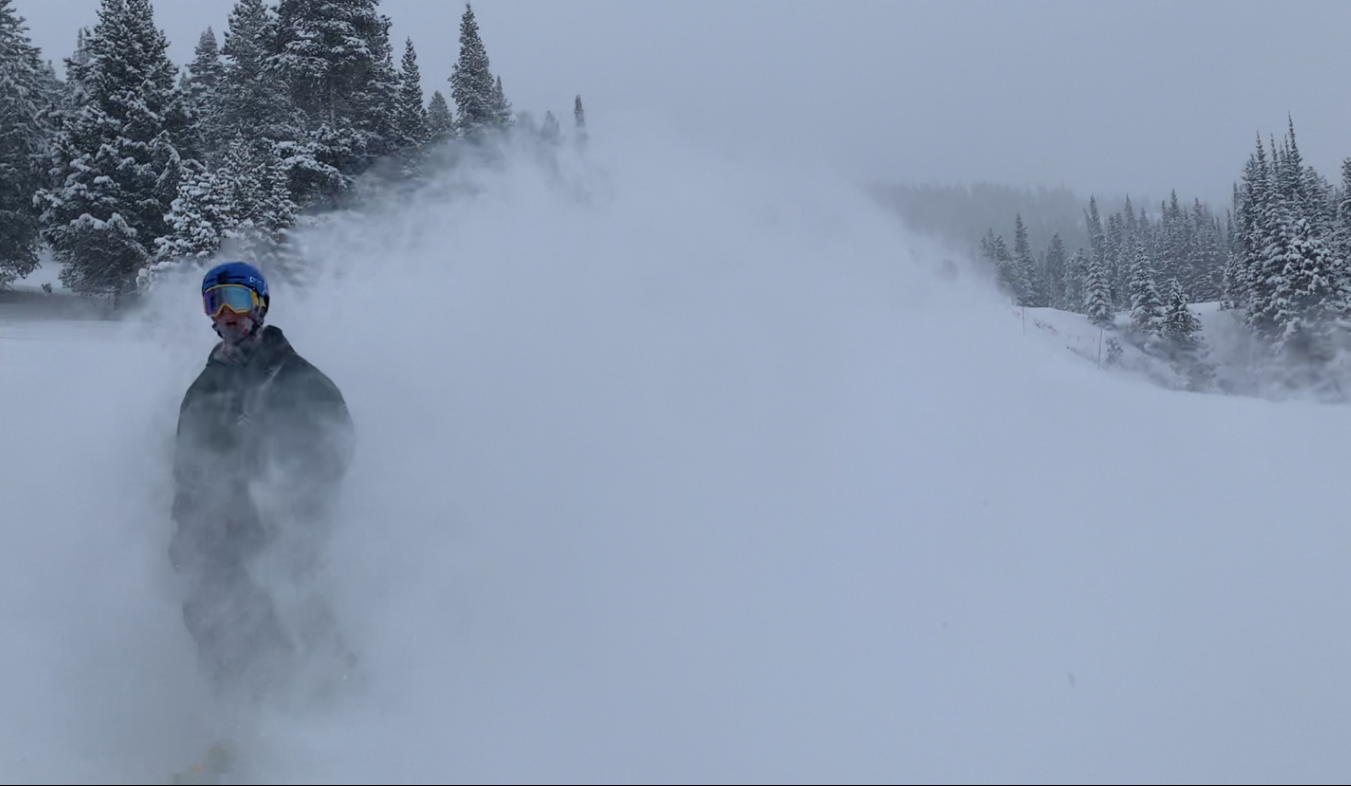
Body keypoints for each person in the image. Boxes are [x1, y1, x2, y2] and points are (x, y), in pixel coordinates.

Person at [168, 261, 356, 702]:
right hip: (222, 540)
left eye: (237, 299)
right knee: (210, 615)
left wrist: (289, 504)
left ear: (261, 305)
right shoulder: (204, 389)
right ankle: (244, 722)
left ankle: (339, 710)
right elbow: (188, 465)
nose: (226, 313)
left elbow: (335, 447)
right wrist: (184, 527)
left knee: (293, 612)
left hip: (284, 538)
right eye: (214, 303)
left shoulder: (295, 378)